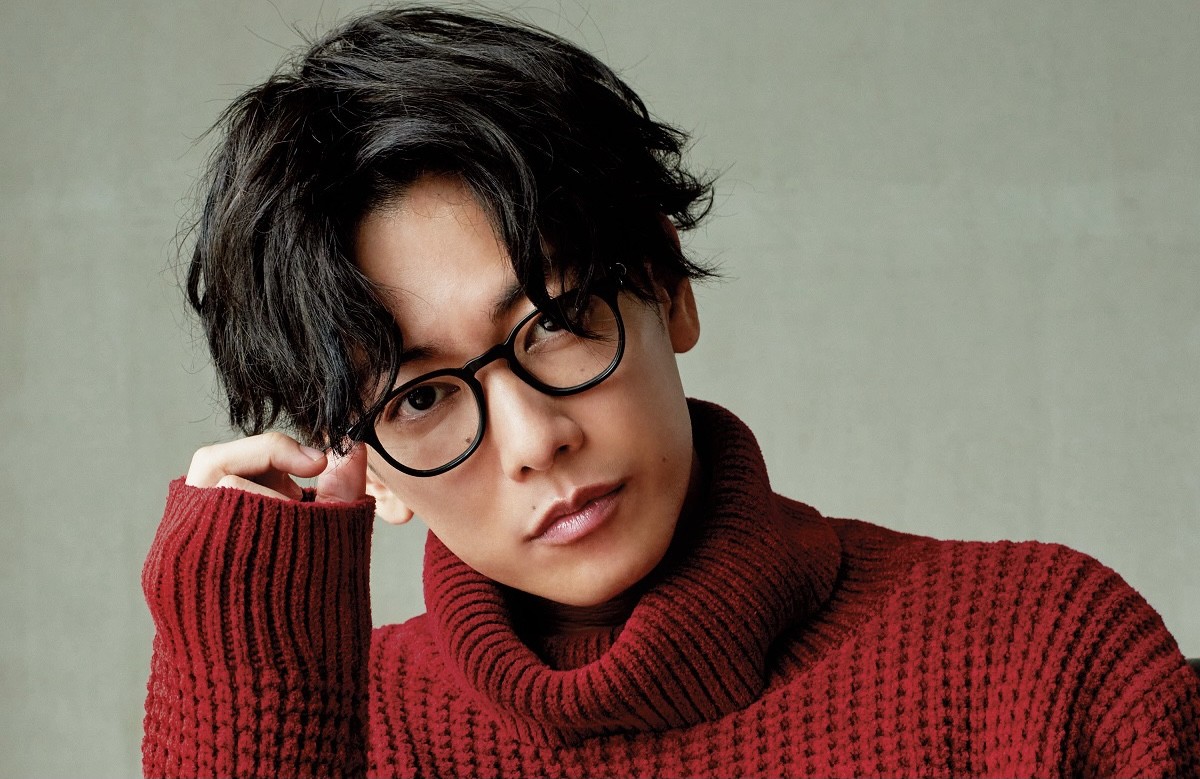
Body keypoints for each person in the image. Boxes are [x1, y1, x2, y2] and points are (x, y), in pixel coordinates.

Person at [141, 6, 1200, 778]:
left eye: (556, 322)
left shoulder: (1040, 658)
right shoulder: (351, 740)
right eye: (422, 399)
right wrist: (248, 683)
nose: (534, 439)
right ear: (364, 465)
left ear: (667, 283)